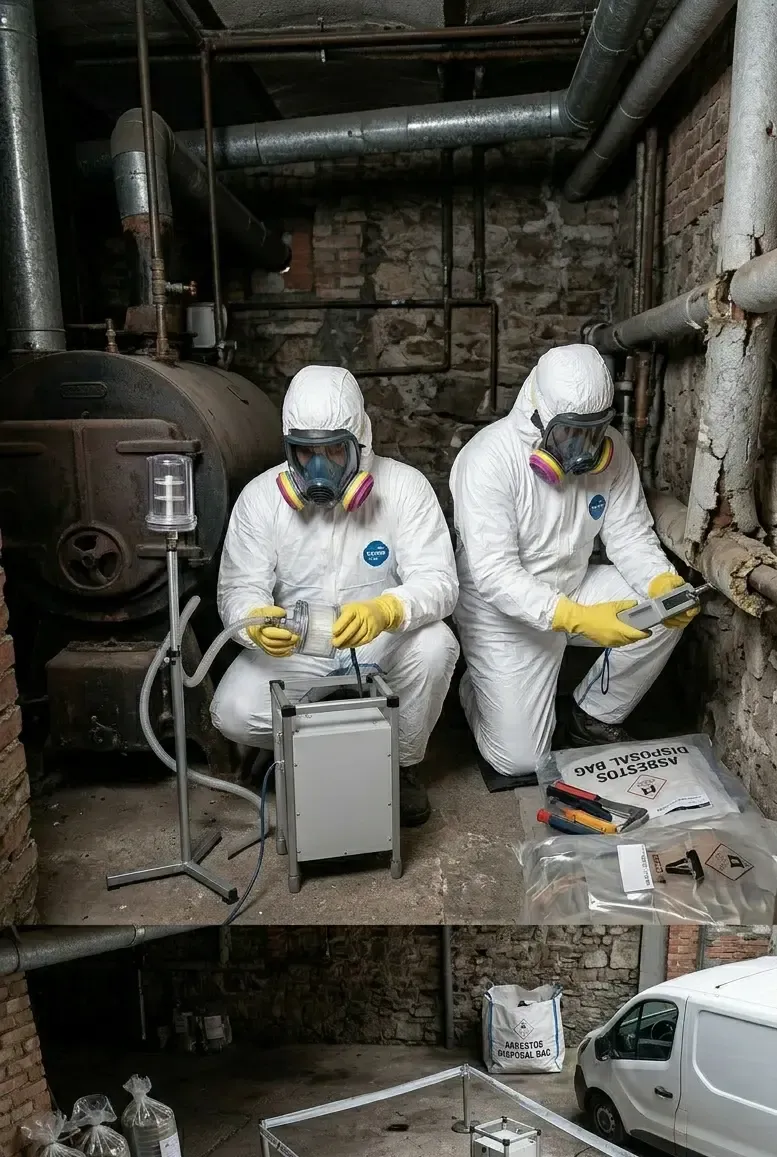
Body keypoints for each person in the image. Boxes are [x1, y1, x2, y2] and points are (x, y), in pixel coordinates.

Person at [211, 364, 460, 825]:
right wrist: (257, 623)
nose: (320, 468)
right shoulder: (260, 499)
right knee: (232, 711)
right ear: (289, 449)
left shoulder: (405, 488)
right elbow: (238, 588)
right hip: (299, 644)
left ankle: (401, 765)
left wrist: (388, 609)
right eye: (307, 454)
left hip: (378, 643)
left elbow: (441, 583)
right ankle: (299, 747)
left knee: (436, 646)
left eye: (333, 451)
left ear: (360, 444)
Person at [449, 343, 699, 780]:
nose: (584, 449)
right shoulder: (487, 460)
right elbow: (493, 573)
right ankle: (478, 689)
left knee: (665, 610)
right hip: (502, 612)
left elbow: (629, 535)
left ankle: (595, 715)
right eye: (569, 433)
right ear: (538, 417)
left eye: (594, 431)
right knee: (520, 760)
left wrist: (660, 582)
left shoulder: (613, 451)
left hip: (575, 585)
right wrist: (575, 619)